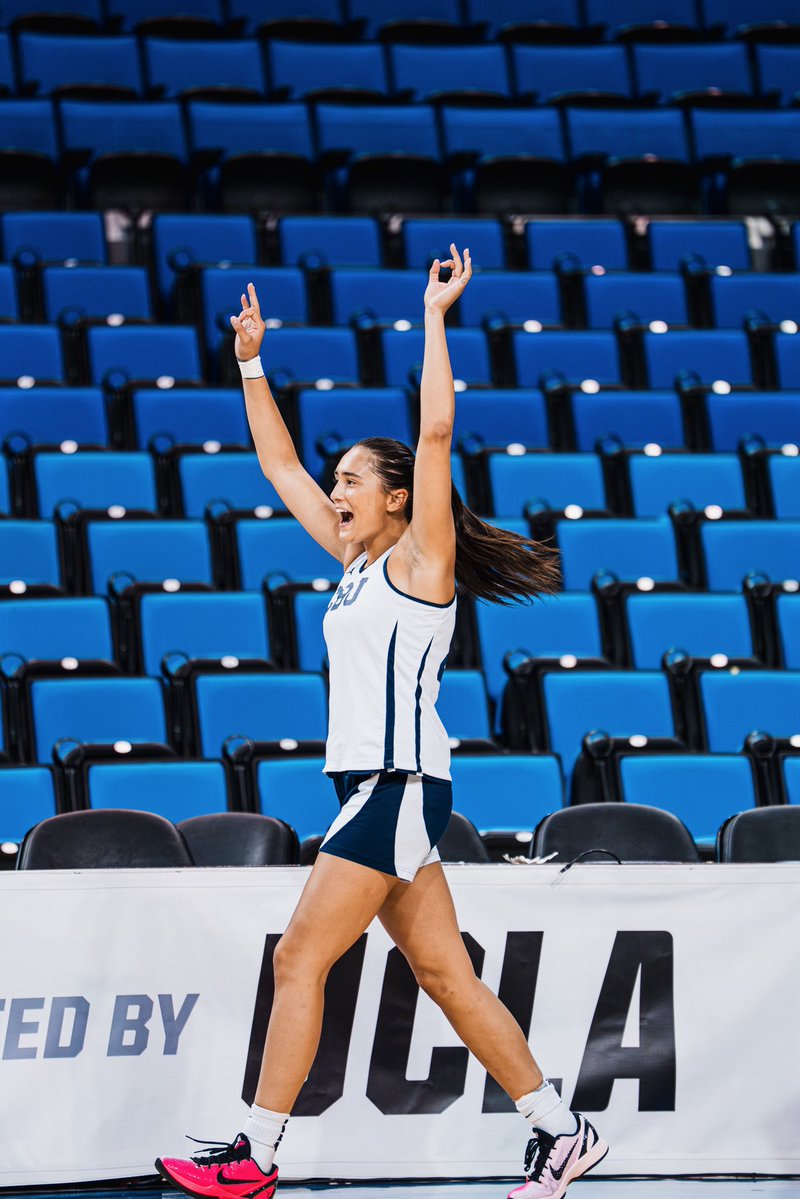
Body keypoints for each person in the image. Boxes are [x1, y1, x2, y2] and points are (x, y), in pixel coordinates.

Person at [156, 246, 608, 1199]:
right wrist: (248, 363)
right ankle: (561, 1130)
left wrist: (437, 315)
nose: (337, 488)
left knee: (297, 957)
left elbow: (436, 433)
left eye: (353, 478)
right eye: (340, 478)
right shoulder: (354, 562)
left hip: (397, 788)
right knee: (447, 976)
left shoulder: (419, 562)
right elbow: (277, 463)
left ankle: (257, 1154)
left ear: (396, 497)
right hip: (384, 790)